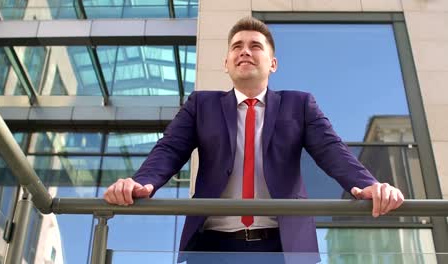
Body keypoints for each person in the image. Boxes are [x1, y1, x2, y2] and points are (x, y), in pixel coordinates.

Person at [104, 17, 404, 263]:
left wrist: (368, 185)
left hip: (282, 247)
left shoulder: (299, 104)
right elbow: (170, 148)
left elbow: (331, 149)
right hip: (211, 247)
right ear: (226, 63)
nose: (244, 51)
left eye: (254, 46)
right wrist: (141, 181)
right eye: (237, 46)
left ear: (272, 64)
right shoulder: (200, 105)